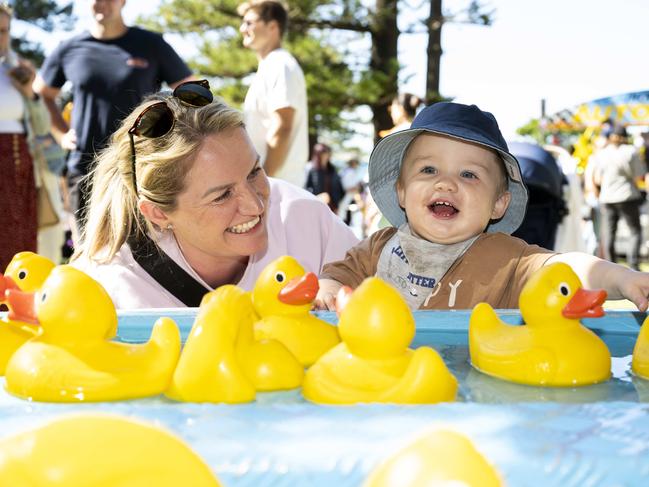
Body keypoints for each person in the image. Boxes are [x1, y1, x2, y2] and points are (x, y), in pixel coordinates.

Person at [315, 102, 649, 312]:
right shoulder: (377, 250)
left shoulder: (508, 259)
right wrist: (327, 293)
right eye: (428, 170)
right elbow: (335, 276)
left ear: (498, 203)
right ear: (401, 192)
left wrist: (622, 278)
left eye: (469, 174)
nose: (446, 183)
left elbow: (567, 270)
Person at [72, 81, 358, 309]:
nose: (256, 205)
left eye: (254, 172)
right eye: (222, 195)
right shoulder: (107, 291)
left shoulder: (302, 219)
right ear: (158, 213)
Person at [33, 0, 194, 238]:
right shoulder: (70, 48)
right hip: (85, 167)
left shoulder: (150, 44)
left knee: (144, 251)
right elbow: (42, 94)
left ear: (123, 2)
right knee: (89, 252)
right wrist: (62, 134)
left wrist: (169, 135)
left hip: (140, 166)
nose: (101, 4)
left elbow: (189, 91)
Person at [0, 4, 58, 270]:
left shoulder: (17, 72)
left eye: (3, 31)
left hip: (18, 168)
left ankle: (12, 308)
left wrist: (29, 93)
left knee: (17, 246)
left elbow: (42, 125)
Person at [239, 0, 308, 187]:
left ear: (272, 26)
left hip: (276, 188)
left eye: (249, 23)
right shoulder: (270, 67)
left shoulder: (281, 65)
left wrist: (261, 182)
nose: (242, 29)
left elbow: (282, 126)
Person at [590, 125, 647, 270]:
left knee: (609, 233)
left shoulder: (601, 153)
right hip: (627, 195)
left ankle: (611, 266)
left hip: (607, 197)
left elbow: (596, 179)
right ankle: (633, 264)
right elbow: (638, 174)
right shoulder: (630, 151)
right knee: (634, 231)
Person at [304, 143, 345, 213]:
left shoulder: (332, 170)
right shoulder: (310, 169)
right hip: (316, 207)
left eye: (327, 152)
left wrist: (337, 204)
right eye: (323, 152)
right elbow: (305, 188)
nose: (326, 155)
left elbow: (339, 188)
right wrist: (318, 198)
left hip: (332, 208)